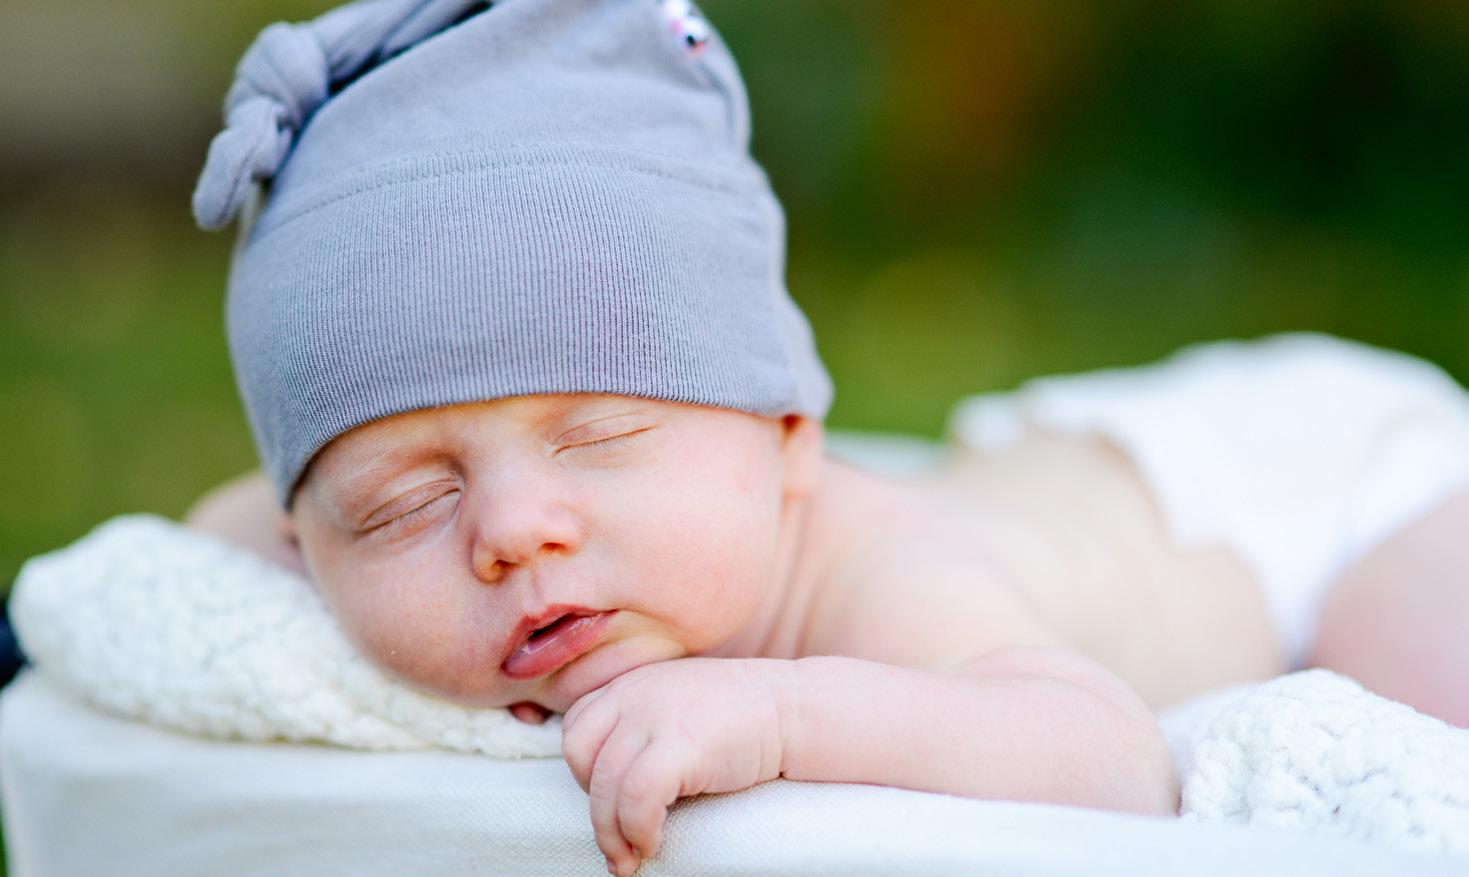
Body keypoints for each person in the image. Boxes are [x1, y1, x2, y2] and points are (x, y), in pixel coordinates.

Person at [183, 1, 1469, 874]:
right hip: (1087, 455)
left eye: (599, 434)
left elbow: (1112, 759)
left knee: (1414, 673)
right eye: (402, 502)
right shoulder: (354, 531)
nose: (511, 529)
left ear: (789, 434)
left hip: (1322, 489)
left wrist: (783, 712)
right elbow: (241, 520)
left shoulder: (878, 577)